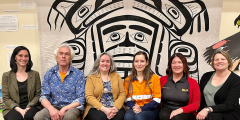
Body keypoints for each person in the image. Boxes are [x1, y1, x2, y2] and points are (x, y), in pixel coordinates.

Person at [34, 44, 86, 120]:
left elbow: (81, 98)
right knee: (38, 117)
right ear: (56, 57)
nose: (63, 56)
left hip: (71, 107)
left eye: (67, 54)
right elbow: (43, 96)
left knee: (69, 117)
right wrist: (51, 109)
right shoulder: (49, 73)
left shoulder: (79, 74)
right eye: (61, 53)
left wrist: (64, 109)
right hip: (53, 106)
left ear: (71, 58)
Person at [196, 50, 240, 120]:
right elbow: (201, 98)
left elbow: (229, 105)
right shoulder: (206, 76)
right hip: (209, 113)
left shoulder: (236, 80)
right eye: (216, 60)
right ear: (213, 63)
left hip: (229, 113)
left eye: (223, 59)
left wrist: (207, 109)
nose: (219, 61)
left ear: (228, 62)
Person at [2, 46, 41, 120]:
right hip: (12, 108)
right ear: (15, 57)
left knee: (29, 116)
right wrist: (19, 109)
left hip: (32, 107)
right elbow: (6, 98)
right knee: (16, 118)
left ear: (28, 58)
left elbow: (38, 94)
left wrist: (27, 109)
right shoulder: (6, 76)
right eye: (20, 55)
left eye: (26, 56)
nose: (23, 58)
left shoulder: (35, 74)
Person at [83, 52, 126, 120]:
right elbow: (89, 97)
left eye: (107, 61)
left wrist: (115, 108)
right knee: (101, 118)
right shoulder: (91, 78)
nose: (105, 64)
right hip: (96, 107)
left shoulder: (116, 76)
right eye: (102, 61)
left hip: (115, 107)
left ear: (110, 64)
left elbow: (122, 94)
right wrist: (104, 109)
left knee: (118, 117)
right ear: (98, 63)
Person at [159, 53, 200, 120]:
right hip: (166, 108)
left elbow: (196, 104)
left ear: (184, 65)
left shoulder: (192, 82)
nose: (176, 65)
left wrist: (180, 110)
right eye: (174, 63)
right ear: (170, 65)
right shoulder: (162, 80)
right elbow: (156, 98)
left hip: (186, 112)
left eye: (180, 62)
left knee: (176, 118)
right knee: (163, 115)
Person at [124, 51, 161, 120]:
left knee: (140, 117)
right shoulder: (127, 80)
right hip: (134, 108)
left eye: (142, 61)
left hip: (151, 109)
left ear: (147, 63)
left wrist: (142, 108)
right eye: (136, 61)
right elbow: (126, 99)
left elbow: (157, 99)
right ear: (133, 63)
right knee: (128, 117)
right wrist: (135, 107)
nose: (139, 64)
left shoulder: (154, 78)